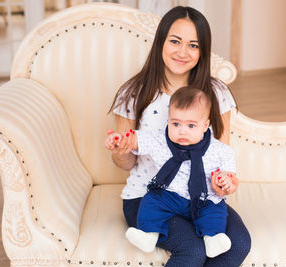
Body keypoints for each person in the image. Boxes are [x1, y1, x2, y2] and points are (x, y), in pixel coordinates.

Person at [106, 5, 251, 267]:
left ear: (203, 51)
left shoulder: (216, 94)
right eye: (175, 41)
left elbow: (219, 156)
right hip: (150, 196)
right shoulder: (133, 93)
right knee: (193, 251)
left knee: (238, 243)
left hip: (200, 198)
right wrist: (122, 150)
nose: (182, 52)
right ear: (161, 41)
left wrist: (222, 182)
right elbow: (125, 164)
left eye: (193, 45)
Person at [106, 87, 237, 258]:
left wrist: (226, 182)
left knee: (215, 210)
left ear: (205, 125)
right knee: (152, 200)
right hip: (170, 196)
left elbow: (231, 178)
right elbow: (137, 140)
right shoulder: (160, 140)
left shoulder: (219, 150)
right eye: (176, 124)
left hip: (202, 199)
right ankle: (148, 234)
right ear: (168, 120)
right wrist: (120, 139)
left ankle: (213, 238)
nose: (182, 131)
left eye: (191, 125)